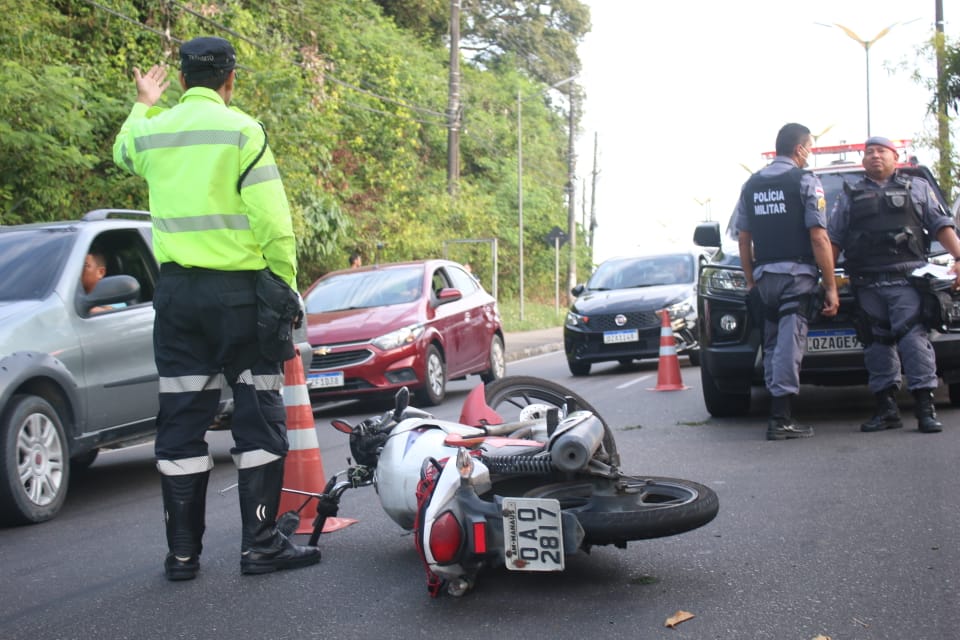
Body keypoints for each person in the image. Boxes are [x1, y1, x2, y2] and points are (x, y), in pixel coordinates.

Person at [112, 36, 320, 580]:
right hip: (240, 297)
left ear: (181, 81)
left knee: (181, 422)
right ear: (231, 81)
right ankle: (259, 546)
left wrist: (142, 102)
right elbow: (273, 222)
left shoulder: (154, 132)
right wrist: (285, 287)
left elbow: (123, 150)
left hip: (177, 297)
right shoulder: (242, 131)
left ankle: (182, 556)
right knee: (258, 416)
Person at [828, 136, 960, 434]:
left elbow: (941, 226)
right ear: (863, 161)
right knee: (876, 345)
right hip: (867, 282)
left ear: (895, 156)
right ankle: (886, 408)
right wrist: (827, 282)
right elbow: (834, 239)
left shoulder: (917, 188)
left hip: (907, 281)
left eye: (881, 151)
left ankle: (925, 408)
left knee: (914, 341)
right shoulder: (849, 196)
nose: (875, 156)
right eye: (869, 152)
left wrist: (959, 257)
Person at [735, 123, 839, 441]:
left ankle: (776, 411)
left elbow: (743, 239)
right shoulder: (805, 180)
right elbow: (819, 236)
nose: (809, 154)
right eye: (809, 147)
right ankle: (781, 418)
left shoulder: (751, 184)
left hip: (765, 277)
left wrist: (752, 281)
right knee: (789, 345)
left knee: (772, 345)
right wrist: (831, 285)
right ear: (800, 149)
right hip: (797, 277)